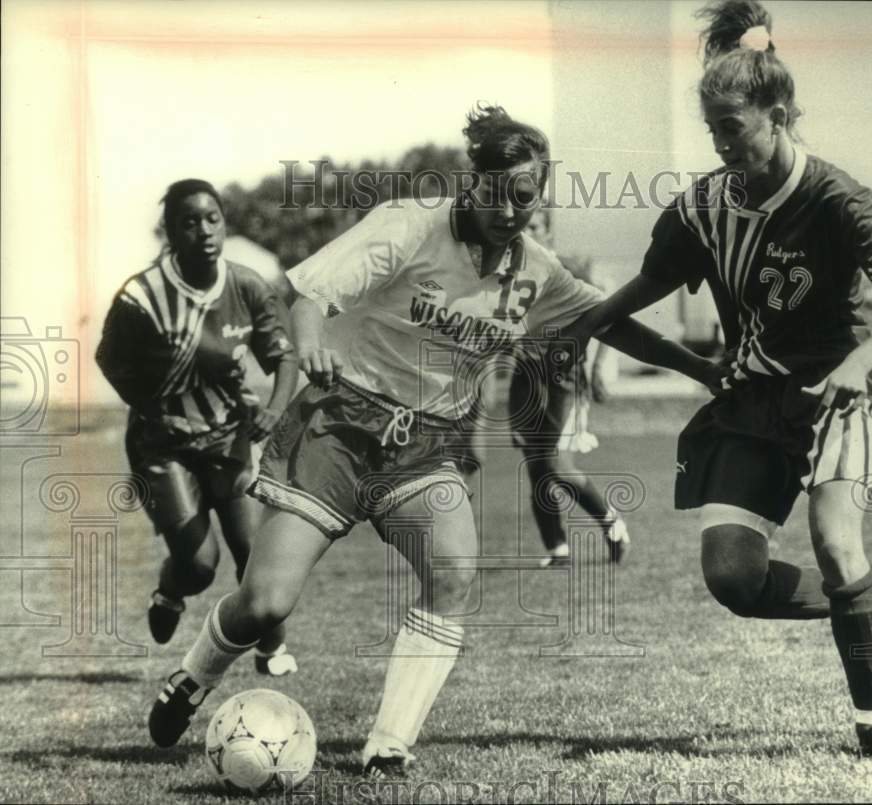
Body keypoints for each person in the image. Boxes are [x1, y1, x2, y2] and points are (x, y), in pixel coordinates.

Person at [146, 106, 718, 776]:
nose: (508, 209)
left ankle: (389, 742)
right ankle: (192, 675)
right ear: (472, 183)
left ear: (541, 197)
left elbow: (609, 321)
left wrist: (702, 368)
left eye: (525, 196)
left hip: (425, 447)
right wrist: (310, 350)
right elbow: (307, 298)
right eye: (495, 191)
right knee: (266, 601)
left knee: (453, 571)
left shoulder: (537, 270)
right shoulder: (411, 223)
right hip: (338, 428)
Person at [565, 0, 872, 757]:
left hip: (838, 396)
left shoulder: (838, 199)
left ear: (780, 112)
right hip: (751, 402)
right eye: (712, 130)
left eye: (733, 126)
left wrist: (860, 366)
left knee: (836, 541)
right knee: (733, 576)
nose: (721, 144)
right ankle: (857, 609)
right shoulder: (700, 210)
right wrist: (588, 329)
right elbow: (635, 296)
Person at [96, 179, 300, 676]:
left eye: (213, 219)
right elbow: (109, 358)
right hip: (161, 447)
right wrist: (151, 406)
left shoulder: (246, 285)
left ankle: (271, 650)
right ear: (169, 232)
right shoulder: (142, 297)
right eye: (190, 222)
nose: (205, 231)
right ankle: (171, 589)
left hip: (228, 437)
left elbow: (284, 356)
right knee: (200, 564)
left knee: (254, 551)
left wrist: (274, 409)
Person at [515, 209, 630, 566]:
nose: (527, 231)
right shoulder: (506, 269)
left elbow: (613, 313)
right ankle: (558, 550)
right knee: (537, 465)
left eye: (534, 225)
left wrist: (598, 366)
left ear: (548, 230)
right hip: (524, 374)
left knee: (553, 463)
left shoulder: (569, 266)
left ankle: (611, 522)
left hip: (563, 378)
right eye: (523, 225)